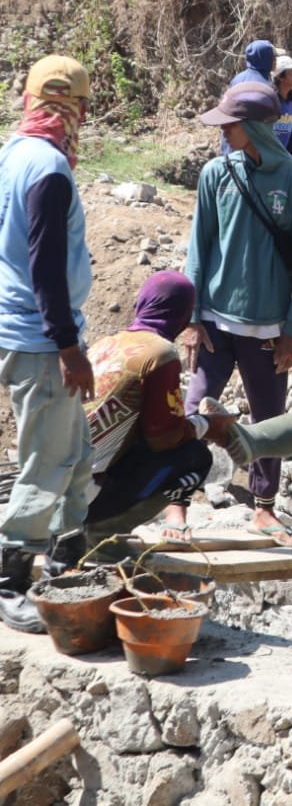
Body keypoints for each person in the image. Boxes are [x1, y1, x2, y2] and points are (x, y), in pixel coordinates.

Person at [177, 80, 292, 548]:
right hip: (214, 324)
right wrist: (192, 318)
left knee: (268, 420)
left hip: (269, 328)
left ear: (256, 127)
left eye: (230, 125)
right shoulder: (216, 174)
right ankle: (176, 504)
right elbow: (198, 249)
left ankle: (264, 508)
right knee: (191, 411)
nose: (223, 132)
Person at [0, 56, 95, 633]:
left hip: (25, 330)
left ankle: (67, 556)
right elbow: (45, 265)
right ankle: (11, 576)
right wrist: (68, 347)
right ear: (78, 109)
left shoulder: (13, 153)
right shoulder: (50, 168)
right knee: (47, 459)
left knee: (76, 453)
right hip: (41, 340)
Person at [81, 273, 227, 542]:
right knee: (195, 456)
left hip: (58, 484)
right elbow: (164, 439)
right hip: (86, 496)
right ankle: (101, 533)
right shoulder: (160, 354)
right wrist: (208, 425)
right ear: (184, 315)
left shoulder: (107, 343)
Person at [219, 39, 277, 156]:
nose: (276, 61)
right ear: (267, 59)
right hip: (248, 149)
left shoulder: (237, 79)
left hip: (230, 144)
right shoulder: (265, 86)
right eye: (274, 57)